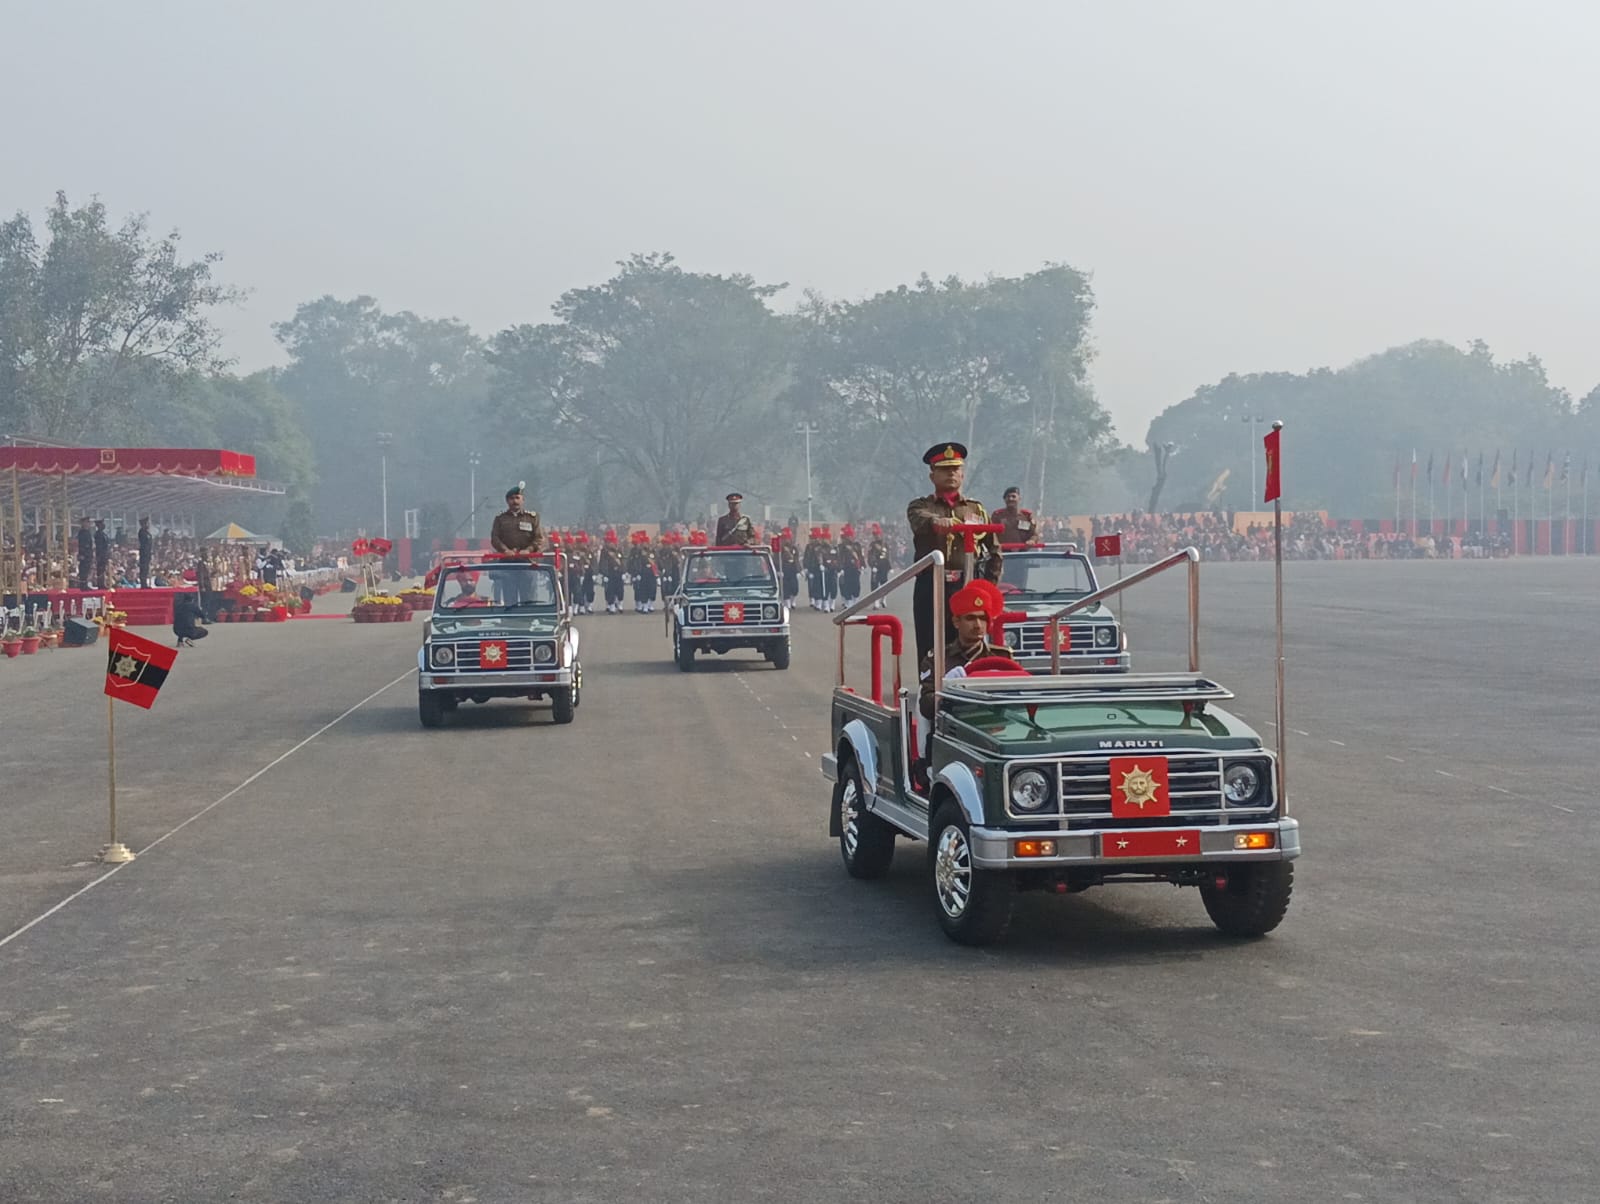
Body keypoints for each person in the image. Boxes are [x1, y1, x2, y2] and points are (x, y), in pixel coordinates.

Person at [907, 442, 1003, 662]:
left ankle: (967, 687)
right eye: (944, 469)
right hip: (931, 586)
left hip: (966, 584)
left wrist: (988, 586)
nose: (951, 473)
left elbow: (995, 550)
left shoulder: (975, 509)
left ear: (962, 474)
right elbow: (919, 520)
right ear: (932, 476)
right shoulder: (921, 506)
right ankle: (930, 690)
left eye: (955, 469)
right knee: (930, 644)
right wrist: (937, 522)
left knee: (969, 642)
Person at [490, 484, 544, 555]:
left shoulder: (532, 518)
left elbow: (539, 538)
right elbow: (495, 538)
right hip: (506, 558)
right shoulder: (500, 518)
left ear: (523, 500)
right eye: (512, 498)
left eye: (517, 498)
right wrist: (505, 550)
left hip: (529, 558)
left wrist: (528, 550)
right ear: (507, 501)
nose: (515, 501)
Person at [75, 517, 93, 590]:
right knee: (83, 569)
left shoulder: (87, 532)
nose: (88, 524)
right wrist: (82, 554)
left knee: (87, 569)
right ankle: (83, 585)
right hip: (84, 554)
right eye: (87, 522)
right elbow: (81, 544)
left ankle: (85, 584)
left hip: (88, 553)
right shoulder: (82, 532)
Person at [93, 520, 111, 590]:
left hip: (104, 554)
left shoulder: (103, 534)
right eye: (102, 524)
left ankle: (102, 583)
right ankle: (100, 584)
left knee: (103, 569)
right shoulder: (98, 534)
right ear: (99, 525)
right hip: (101, 554)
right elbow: (99, 546)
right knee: (100, 569)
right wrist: (100, 555)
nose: (103, 525)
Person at [138, 518, 153, 587]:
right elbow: (144, 544)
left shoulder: (147, 532)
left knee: (146, 569)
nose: (148, 525)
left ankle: (145, 583)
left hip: (147, 553)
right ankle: (143, 584)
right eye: (147, 523)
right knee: (143, 569)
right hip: (144, 553)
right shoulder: (142, 532)